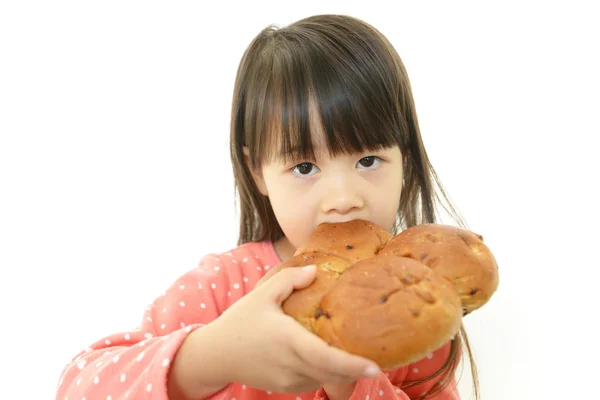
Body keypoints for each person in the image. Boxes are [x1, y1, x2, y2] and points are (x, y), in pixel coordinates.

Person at [55, 14, 480, 400]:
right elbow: (79, 386)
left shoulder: (414, 304)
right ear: (257, 171)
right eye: (304, 166)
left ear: (404, 156)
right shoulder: (221, 288)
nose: (344, 199)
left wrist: (352, 382)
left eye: (368, 160)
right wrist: (210, 355)